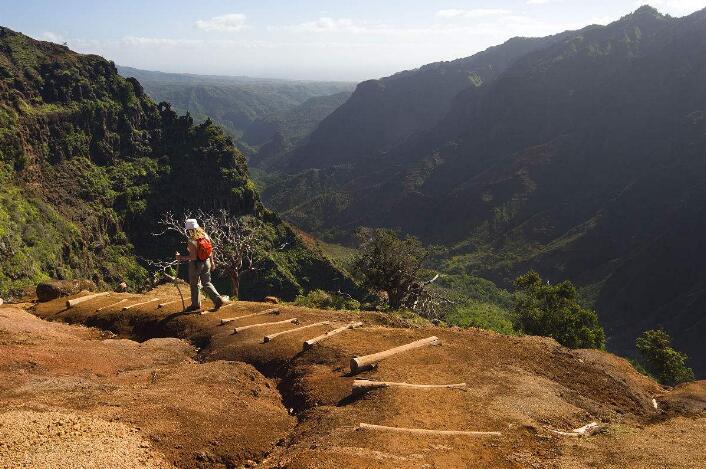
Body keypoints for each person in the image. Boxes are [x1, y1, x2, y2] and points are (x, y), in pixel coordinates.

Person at [175, 219, 229, 313]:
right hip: (206, 262)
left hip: (196, 265)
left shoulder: (192, 240)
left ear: (189, 229)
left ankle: (195, 305)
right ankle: (217, 299)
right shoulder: (204, 235)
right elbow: (210, 250)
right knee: (207, 282)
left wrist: (180, 258)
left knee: (194, 284)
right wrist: (212, 262)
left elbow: (193, 257)